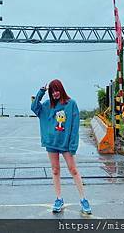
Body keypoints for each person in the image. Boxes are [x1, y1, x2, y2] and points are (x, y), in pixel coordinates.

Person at [31, 79, 92, 215]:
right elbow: (34, 107)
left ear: (62, 89)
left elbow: (75, 127)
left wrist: (73, 146)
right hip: (51, 143)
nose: (55, 94)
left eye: (57, 90)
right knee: (55, 170)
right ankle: (59, 199)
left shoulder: (71, 104)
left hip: (65, 144)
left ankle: (83, 199)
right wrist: (41, 91)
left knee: (73, 170)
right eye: (52, 92)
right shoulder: (47, 105)